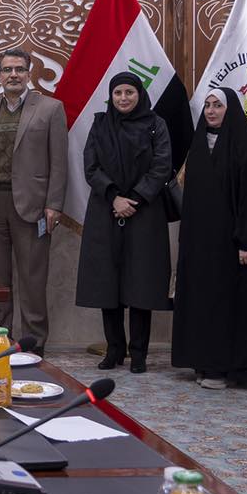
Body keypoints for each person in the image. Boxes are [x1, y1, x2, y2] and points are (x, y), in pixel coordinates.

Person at [74, 73, 172, 374]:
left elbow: (162, 165)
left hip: (145, 213)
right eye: (118, 93)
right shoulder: (101, 123)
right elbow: (91, 166)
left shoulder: (156, 124)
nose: (123, 98)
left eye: (129, 92)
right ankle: (114, 349)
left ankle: (139, 353)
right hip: (106, 209)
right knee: (108, 284)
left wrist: (135, 199)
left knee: (141, 284)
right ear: (111, 96)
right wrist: (115, 197)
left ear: (139, 94)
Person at [172, 88, 247, 390]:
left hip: (232, 244)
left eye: (218, 106)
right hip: (199, 245)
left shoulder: (245, 148)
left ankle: (227, 368)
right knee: (201, 303)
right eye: (208, 106)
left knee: (228, 305)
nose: (211, 111)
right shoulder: (198, 145)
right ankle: (203, 362)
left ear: (231, 110)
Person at [0, 49, 68, 353]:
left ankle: (33, 345)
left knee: (32, 280)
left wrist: (54, 204)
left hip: (33, 206)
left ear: (29, 73)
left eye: (19, 69)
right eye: (7, 70)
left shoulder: (51, 108)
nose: (13, 74)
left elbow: (59, 162)